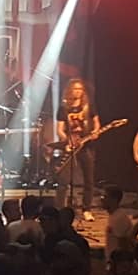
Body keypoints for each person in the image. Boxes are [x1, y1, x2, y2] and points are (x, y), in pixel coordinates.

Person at [56, 78, 101, 221]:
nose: (78, 91)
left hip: (87, 146)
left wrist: (96, 132)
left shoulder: (89, 106)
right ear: (70, 90)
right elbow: (60, 129)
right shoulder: (63, 108)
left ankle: (87, 209)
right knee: (63, 180)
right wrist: (67, 139)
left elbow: (97, 123)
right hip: (70, 146)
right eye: (75, 89)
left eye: (80, 89)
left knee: (89, 179)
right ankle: (59, 209)